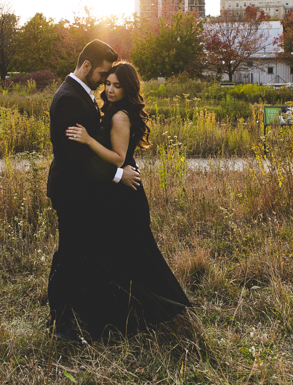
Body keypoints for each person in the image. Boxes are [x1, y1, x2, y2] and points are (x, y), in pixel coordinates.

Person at [66, 62, 191, 335]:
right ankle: (122, 316)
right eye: (107, 83)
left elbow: (118, 158)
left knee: (131, 255)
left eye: (116, 85)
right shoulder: (114, 110)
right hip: (119, 190)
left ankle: (159, 311)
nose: (109, 90)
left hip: (122, 193)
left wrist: (88, 140)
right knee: (125, 254)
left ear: (128, 88)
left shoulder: (120, 116)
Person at [46, 40, 141, 341]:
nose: (104, 82)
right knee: (70, 255)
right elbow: (79, 158)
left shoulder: (80, 94)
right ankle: (61, 323)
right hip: (72, 191)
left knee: (77, 253)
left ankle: (76, 312)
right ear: (86, 66)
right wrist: (118, 174)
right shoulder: (70, 99)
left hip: (80, 191)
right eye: (102, 74)